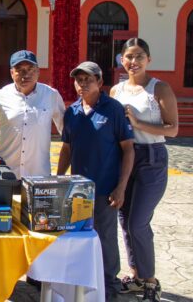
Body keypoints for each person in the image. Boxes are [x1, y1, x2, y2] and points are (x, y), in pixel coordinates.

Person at [57, 61, 135, 301]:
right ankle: (84, 284)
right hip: (78, 191)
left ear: (100, 83)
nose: (82, 84)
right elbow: (67, 149)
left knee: (106, 239)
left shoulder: (113, 110)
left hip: (105, 190)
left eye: (88, 80)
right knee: (79, 238)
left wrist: (121, 187)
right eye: (78, 80)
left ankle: (110, 288)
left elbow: (129, 150)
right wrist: (59, 180)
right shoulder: (72, 112)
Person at [110, 38, 178, 302]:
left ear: (148, 59)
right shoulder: (116, 90)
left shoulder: (159, 89)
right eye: (128, 56)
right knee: (125, 220)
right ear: (122, 60)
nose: (133, 62)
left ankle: (150, 281)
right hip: (124, 157)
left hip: (152, 158)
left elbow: (172, 129)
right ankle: (136, 275)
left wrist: (138, 123)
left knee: (139, 221)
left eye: (139, 56)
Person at [0, 50, 65, 179]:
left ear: (38, 71)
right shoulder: (0, 97)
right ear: (11, 73)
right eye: (19, 69)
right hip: (7, 174)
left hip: (39, 175)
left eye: (30, 69)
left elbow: (65, 131)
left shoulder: (51, 95)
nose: (25, 75)